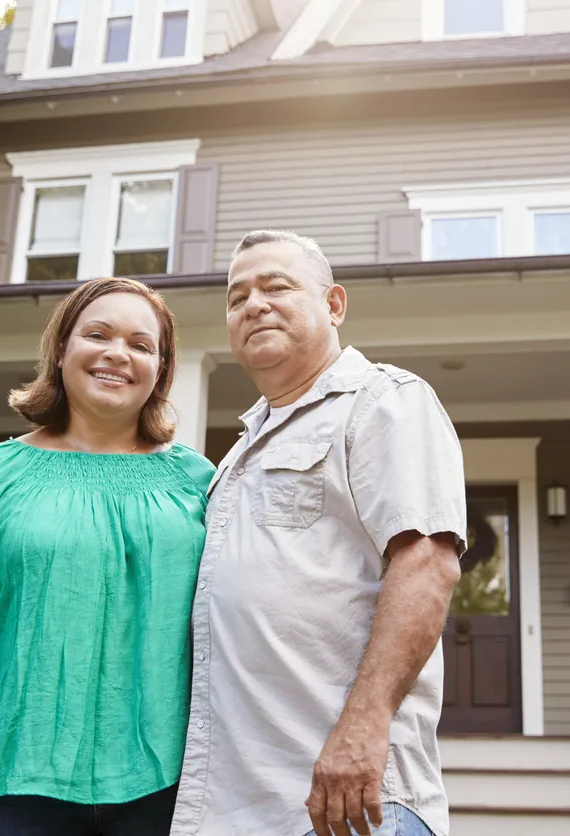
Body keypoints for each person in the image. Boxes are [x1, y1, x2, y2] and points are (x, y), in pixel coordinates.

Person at [0, 278, 215, 836]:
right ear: (61, 350)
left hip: (170, 797)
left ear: (160, 368)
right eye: (97, 334)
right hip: (9, 797)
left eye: (140, 343)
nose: (116, 353)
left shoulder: (199, 482)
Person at [171, 230, 467, 836]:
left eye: (277, 286)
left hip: (347, 801)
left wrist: (364, 726)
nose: (253, 304)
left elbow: (427, 564)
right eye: (236, 297)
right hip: (237, 802)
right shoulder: (239, 449)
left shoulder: (383, 401)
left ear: (333, 305)